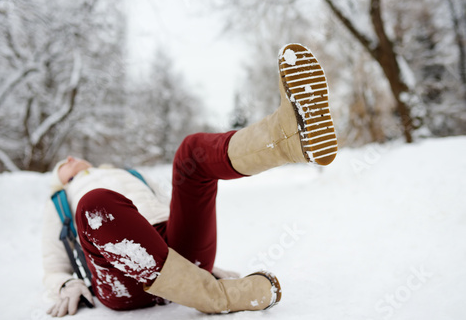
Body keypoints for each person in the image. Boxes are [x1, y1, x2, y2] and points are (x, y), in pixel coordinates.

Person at [42, 43, 338, 317]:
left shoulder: (131, 174)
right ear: (61, 181)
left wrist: (197, 271)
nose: (69, 160)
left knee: (190, 153)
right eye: (62, 167)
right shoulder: (60, 201)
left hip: (175, 254)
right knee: (95, 205)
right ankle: (215, 297)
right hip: (123, 276)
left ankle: (287, 137)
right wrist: (64, 285)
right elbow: (53, 263)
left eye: (71, 158)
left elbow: (178, 210)